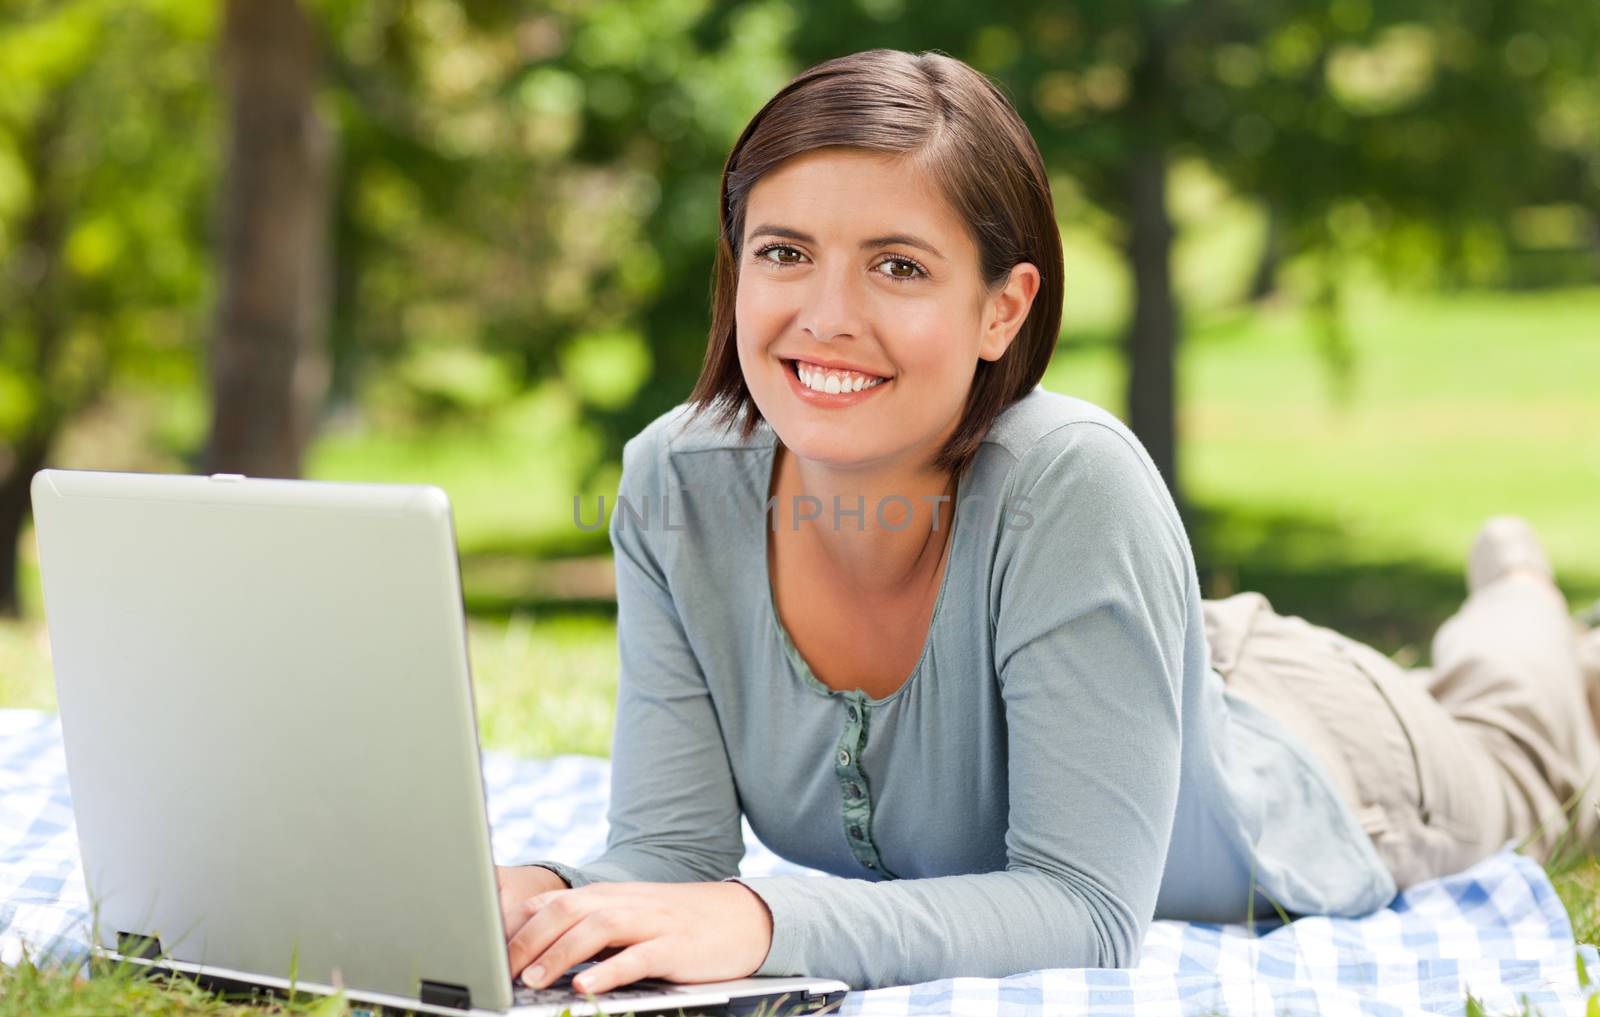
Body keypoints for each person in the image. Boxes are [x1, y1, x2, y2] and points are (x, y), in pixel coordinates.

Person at [492, 48, 1600, 994]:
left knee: (1529, 752)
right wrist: (540, 896)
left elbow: (1085, 910)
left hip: (1321, 758)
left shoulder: (1072, 480)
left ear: (1001, 307)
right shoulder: (674, 487)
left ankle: (1524, 610)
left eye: (897, 266)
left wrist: (770, 924)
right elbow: (667, 859)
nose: (826, 318)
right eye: (784, 253)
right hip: (1151, 673)